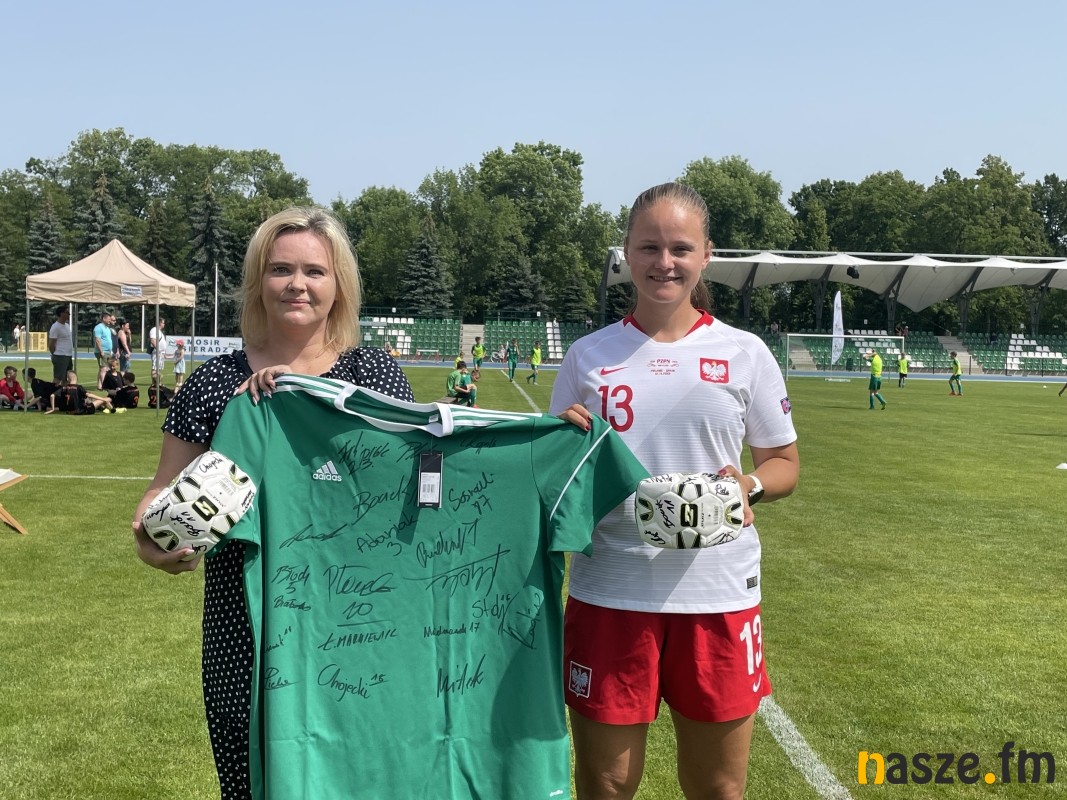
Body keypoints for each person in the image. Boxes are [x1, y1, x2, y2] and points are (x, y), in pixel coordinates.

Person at [131, 206, 416, 799]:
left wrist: (549, 438)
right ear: (258, 282)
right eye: (280, 269)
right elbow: (163, 487)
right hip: (243, 621)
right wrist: (152, 534)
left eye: (315, 271)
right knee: (249, 780)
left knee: (356, 778)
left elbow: (419, 486)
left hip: (354, 619)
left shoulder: (375, 376)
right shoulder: (214, 383)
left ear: (339, 286)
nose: (296, 285)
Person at [549, 182, 799, 800]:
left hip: (717, 595)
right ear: (627, 254)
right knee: (605, 785)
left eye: (681, 248)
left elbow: (784, 464)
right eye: (649, 247)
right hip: (612, 591)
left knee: (718, 788)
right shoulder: (587, 356)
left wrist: (749, 486)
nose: (665, 262)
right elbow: (555, 481)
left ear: (706, 255)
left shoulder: (745, 353)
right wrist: (561, 444)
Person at [47, 371, 114, 414]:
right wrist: (103, 399)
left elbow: (52, 395)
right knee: (106, 399)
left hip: (70, 411)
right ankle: (112, 409)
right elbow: (89, 395)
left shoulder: (64, 388)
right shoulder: (79, 387)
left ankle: (105, 407)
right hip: (82, 411)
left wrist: (52, 409)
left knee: (94, 401)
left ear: (67, 379)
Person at [48, 306, 74, 385]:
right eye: (67, 312)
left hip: (68, 355)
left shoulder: (67, 326)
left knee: (66, 379)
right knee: (58, 378)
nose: (69, 314)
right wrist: (55, 354)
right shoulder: (55, 327)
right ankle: (52, 391)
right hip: (60, 355)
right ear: (61, 314)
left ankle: (64, 392)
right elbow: (51, 344)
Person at [93, 310, 116, 389]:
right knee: (104, 369)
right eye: (109, 319)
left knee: (104, 369)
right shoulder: (98, 328)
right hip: (102, 351)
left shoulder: (107, 328)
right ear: (104, 319)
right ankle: (104, 385)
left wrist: (111, 350)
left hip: (108, 351)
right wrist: (101, 351)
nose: (110, 320)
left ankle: (100, 385)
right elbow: (98, 340)